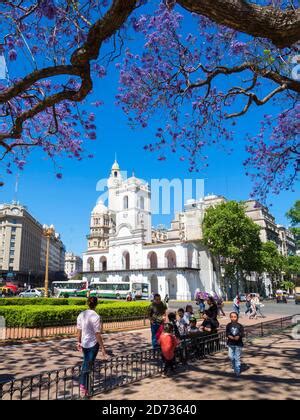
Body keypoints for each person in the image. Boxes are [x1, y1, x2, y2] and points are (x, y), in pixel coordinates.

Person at [77, 297, 107, 397]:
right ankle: (84, 385)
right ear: (96, 304)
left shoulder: (81, 314)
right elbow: (97, 333)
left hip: (85, 343)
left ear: (87, 303)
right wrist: (103, 347)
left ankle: (86, 385)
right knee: (88, 364)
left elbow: (79, 330)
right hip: (93, 344)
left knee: (87, 362)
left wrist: (79, 341)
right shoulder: (96, 316)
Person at [226, 312, 245, 376]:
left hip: (238, 344)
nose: (233, 318)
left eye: (235, 317)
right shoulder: (228, 325)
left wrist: (238, 336)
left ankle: (237, 370)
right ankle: (234, 366)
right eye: (232, 317)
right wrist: (229, 336)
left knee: (237, 357)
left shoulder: (240, 326)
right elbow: (227, 333)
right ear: (230, 317)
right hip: (230, 343)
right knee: (231, 356)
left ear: (237, 318)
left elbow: (242, 333)